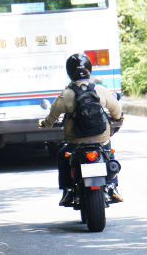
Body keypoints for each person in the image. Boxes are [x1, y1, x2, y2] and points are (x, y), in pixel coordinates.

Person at [40, 53, 123, 205]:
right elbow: (117, 112)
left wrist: (45, 124)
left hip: (76, 142)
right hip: (101, 139)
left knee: (62, 156)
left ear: (69, 72)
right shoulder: (100, 90)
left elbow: (51, 119)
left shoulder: (66, 95)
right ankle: (112, 186)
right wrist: (117, 118)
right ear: (89, 69)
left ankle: (68, 190)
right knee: (109, 152)